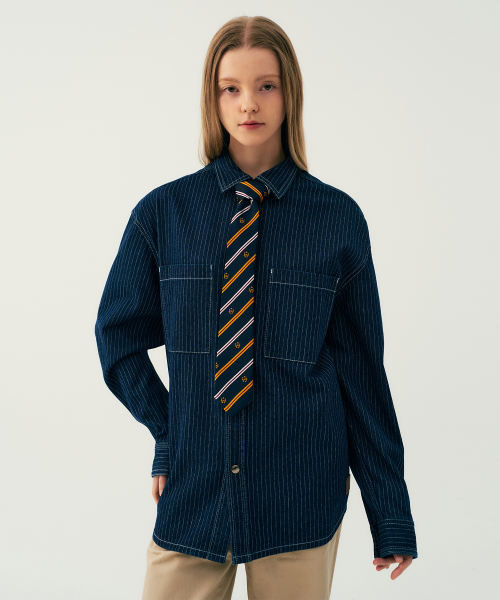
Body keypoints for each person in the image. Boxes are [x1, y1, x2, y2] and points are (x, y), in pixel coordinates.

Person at [95, 14, 417, 600]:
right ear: (212, 97)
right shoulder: (163, 215)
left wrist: (389, 510)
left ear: (290, 93)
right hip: (194, 492)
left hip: (301, 492)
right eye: (231, 88)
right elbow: (117, 337)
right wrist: (168, 431)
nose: (249, 103)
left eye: (266, 85)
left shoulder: (337, 219)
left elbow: (362, 374)